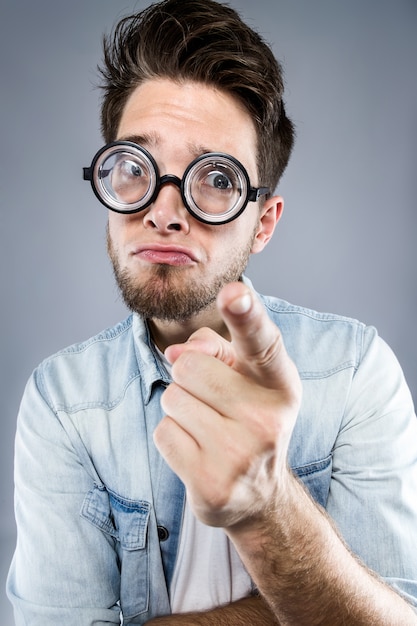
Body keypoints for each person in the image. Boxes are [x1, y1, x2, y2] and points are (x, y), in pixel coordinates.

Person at [7, 0, 417, 623]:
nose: (165, 211)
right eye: (133, 167)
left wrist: (268, 508)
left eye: (217, 179)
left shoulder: (358, 372)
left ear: (263, 225)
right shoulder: (62, 403)